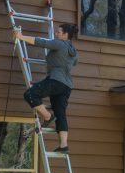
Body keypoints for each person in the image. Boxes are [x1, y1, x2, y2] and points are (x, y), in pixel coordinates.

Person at [14, 23, 78, 153]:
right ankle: (63, 145)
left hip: (56, 80)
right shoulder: (74, 51)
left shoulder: (60, 44)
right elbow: (75, 62)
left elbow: (41, 42)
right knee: (61, 114)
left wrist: (20, 36)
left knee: (30, 94)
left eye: (59, 32)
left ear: (65, 35)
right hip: (66, 86)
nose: (56, 34)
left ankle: (48, 116)